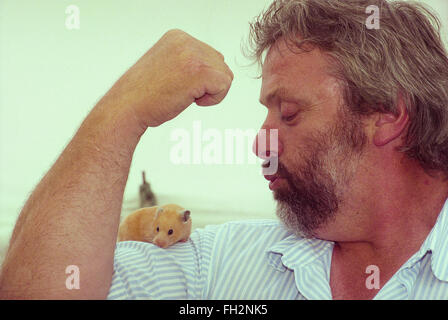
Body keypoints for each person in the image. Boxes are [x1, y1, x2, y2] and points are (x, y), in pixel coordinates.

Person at [1, 0, 447, 300]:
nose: (259, 141)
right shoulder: (215, 265)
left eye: (288, 113)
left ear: (387, 115)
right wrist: (122, 112)